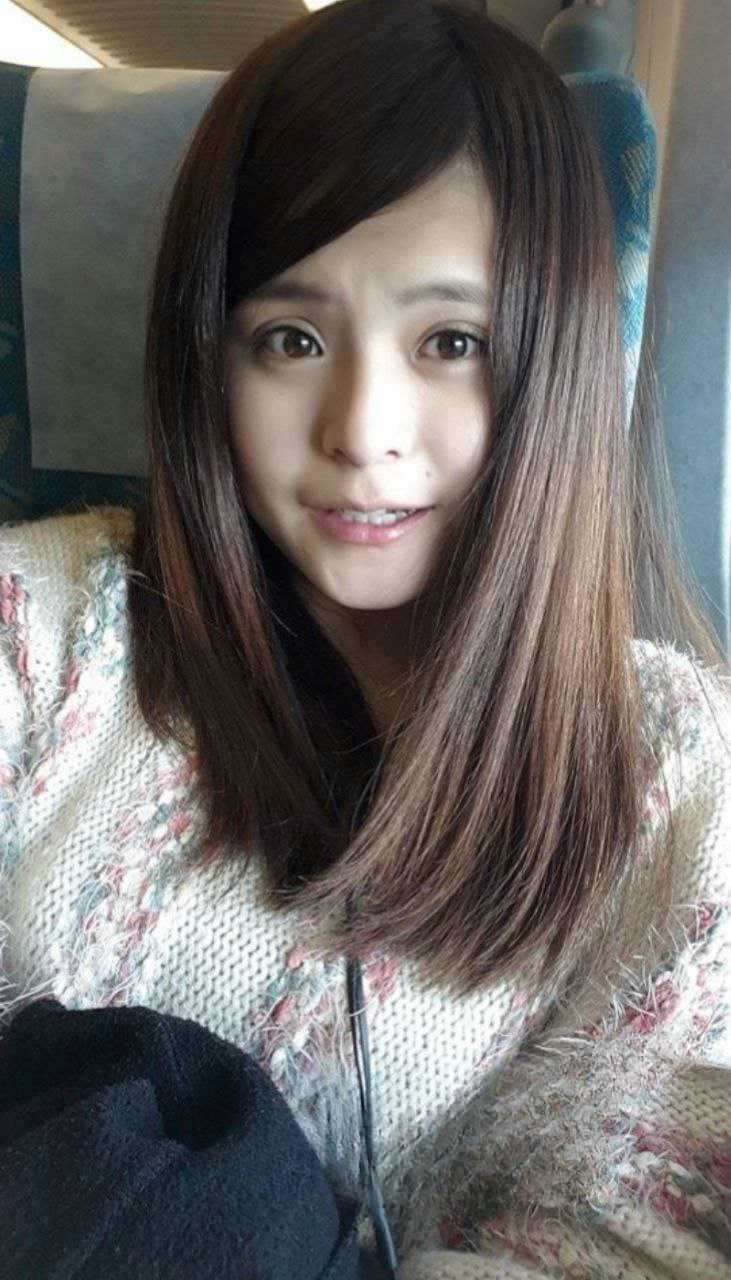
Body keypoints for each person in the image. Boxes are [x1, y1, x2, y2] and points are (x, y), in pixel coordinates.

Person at [1, 0, 730, 1276]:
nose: (361, 428)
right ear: (209, 359)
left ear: (553, 363)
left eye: (450, 341)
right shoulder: (55, 632)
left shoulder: (675, 786)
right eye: (290, 338)